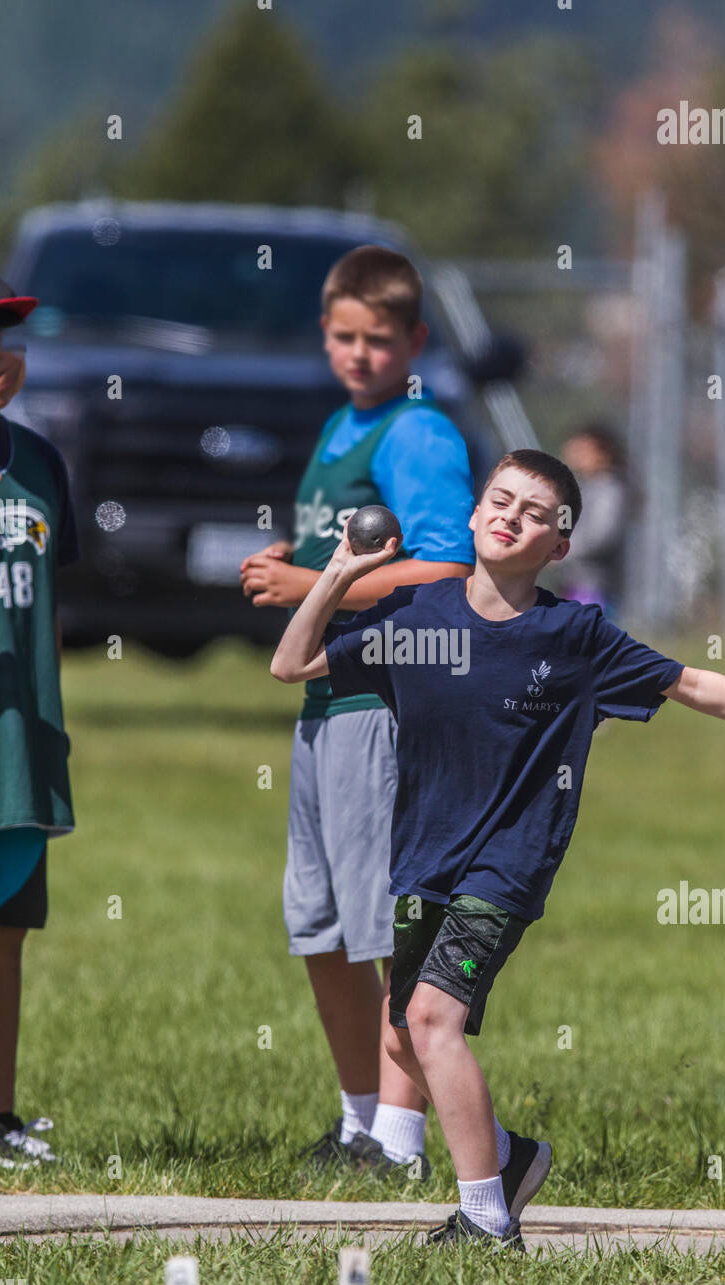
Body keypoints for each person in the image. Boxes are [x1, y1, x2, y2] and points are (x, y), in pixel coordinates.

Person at [270, 446, 725, 1245]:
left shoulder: (573, 636)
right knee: (406, 1029)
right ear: (474, 516)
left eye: (536, 513)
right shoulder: (418, 621)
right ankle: (507, 1158)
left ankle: (485, 1220)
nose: (511, 516)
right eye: (500, 500)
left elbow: (692, 683)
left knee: (433, 1020)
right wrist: (336, 575)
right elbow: (291, 662)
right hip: (423, 858)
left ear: (559, 546)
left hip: (507, 863)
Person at [240, 246, 475, 1174]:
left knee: (384, 928)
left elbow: (448, 570)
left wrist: (308, 580)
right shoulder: (344, 423)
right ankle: (357, 1123)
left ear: (415, 340)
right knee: (323, 923)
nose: (360, 354)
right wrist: (298, 562)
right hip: (324, 704)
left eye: (380, 340)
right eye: (344, 336)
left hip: (383, 705)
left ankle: (403, 1140)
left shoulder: (417, 434)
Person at [0, 273, 80, 1168]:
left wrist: (52, 724)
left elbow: (47, 604)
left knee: (3, 927)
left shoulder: (40, 463)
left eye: (4, 335)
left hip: (18, 740)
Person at [539, 424, 626, 616]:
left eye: (582, 450)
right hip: (572, 583)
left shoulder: (609, 489)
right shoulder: (580, 488)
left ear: (602, 452)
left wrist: (561, 552)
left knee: (587, 641)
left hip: (595, 587)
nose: (574, 454)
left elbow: (601, 536)